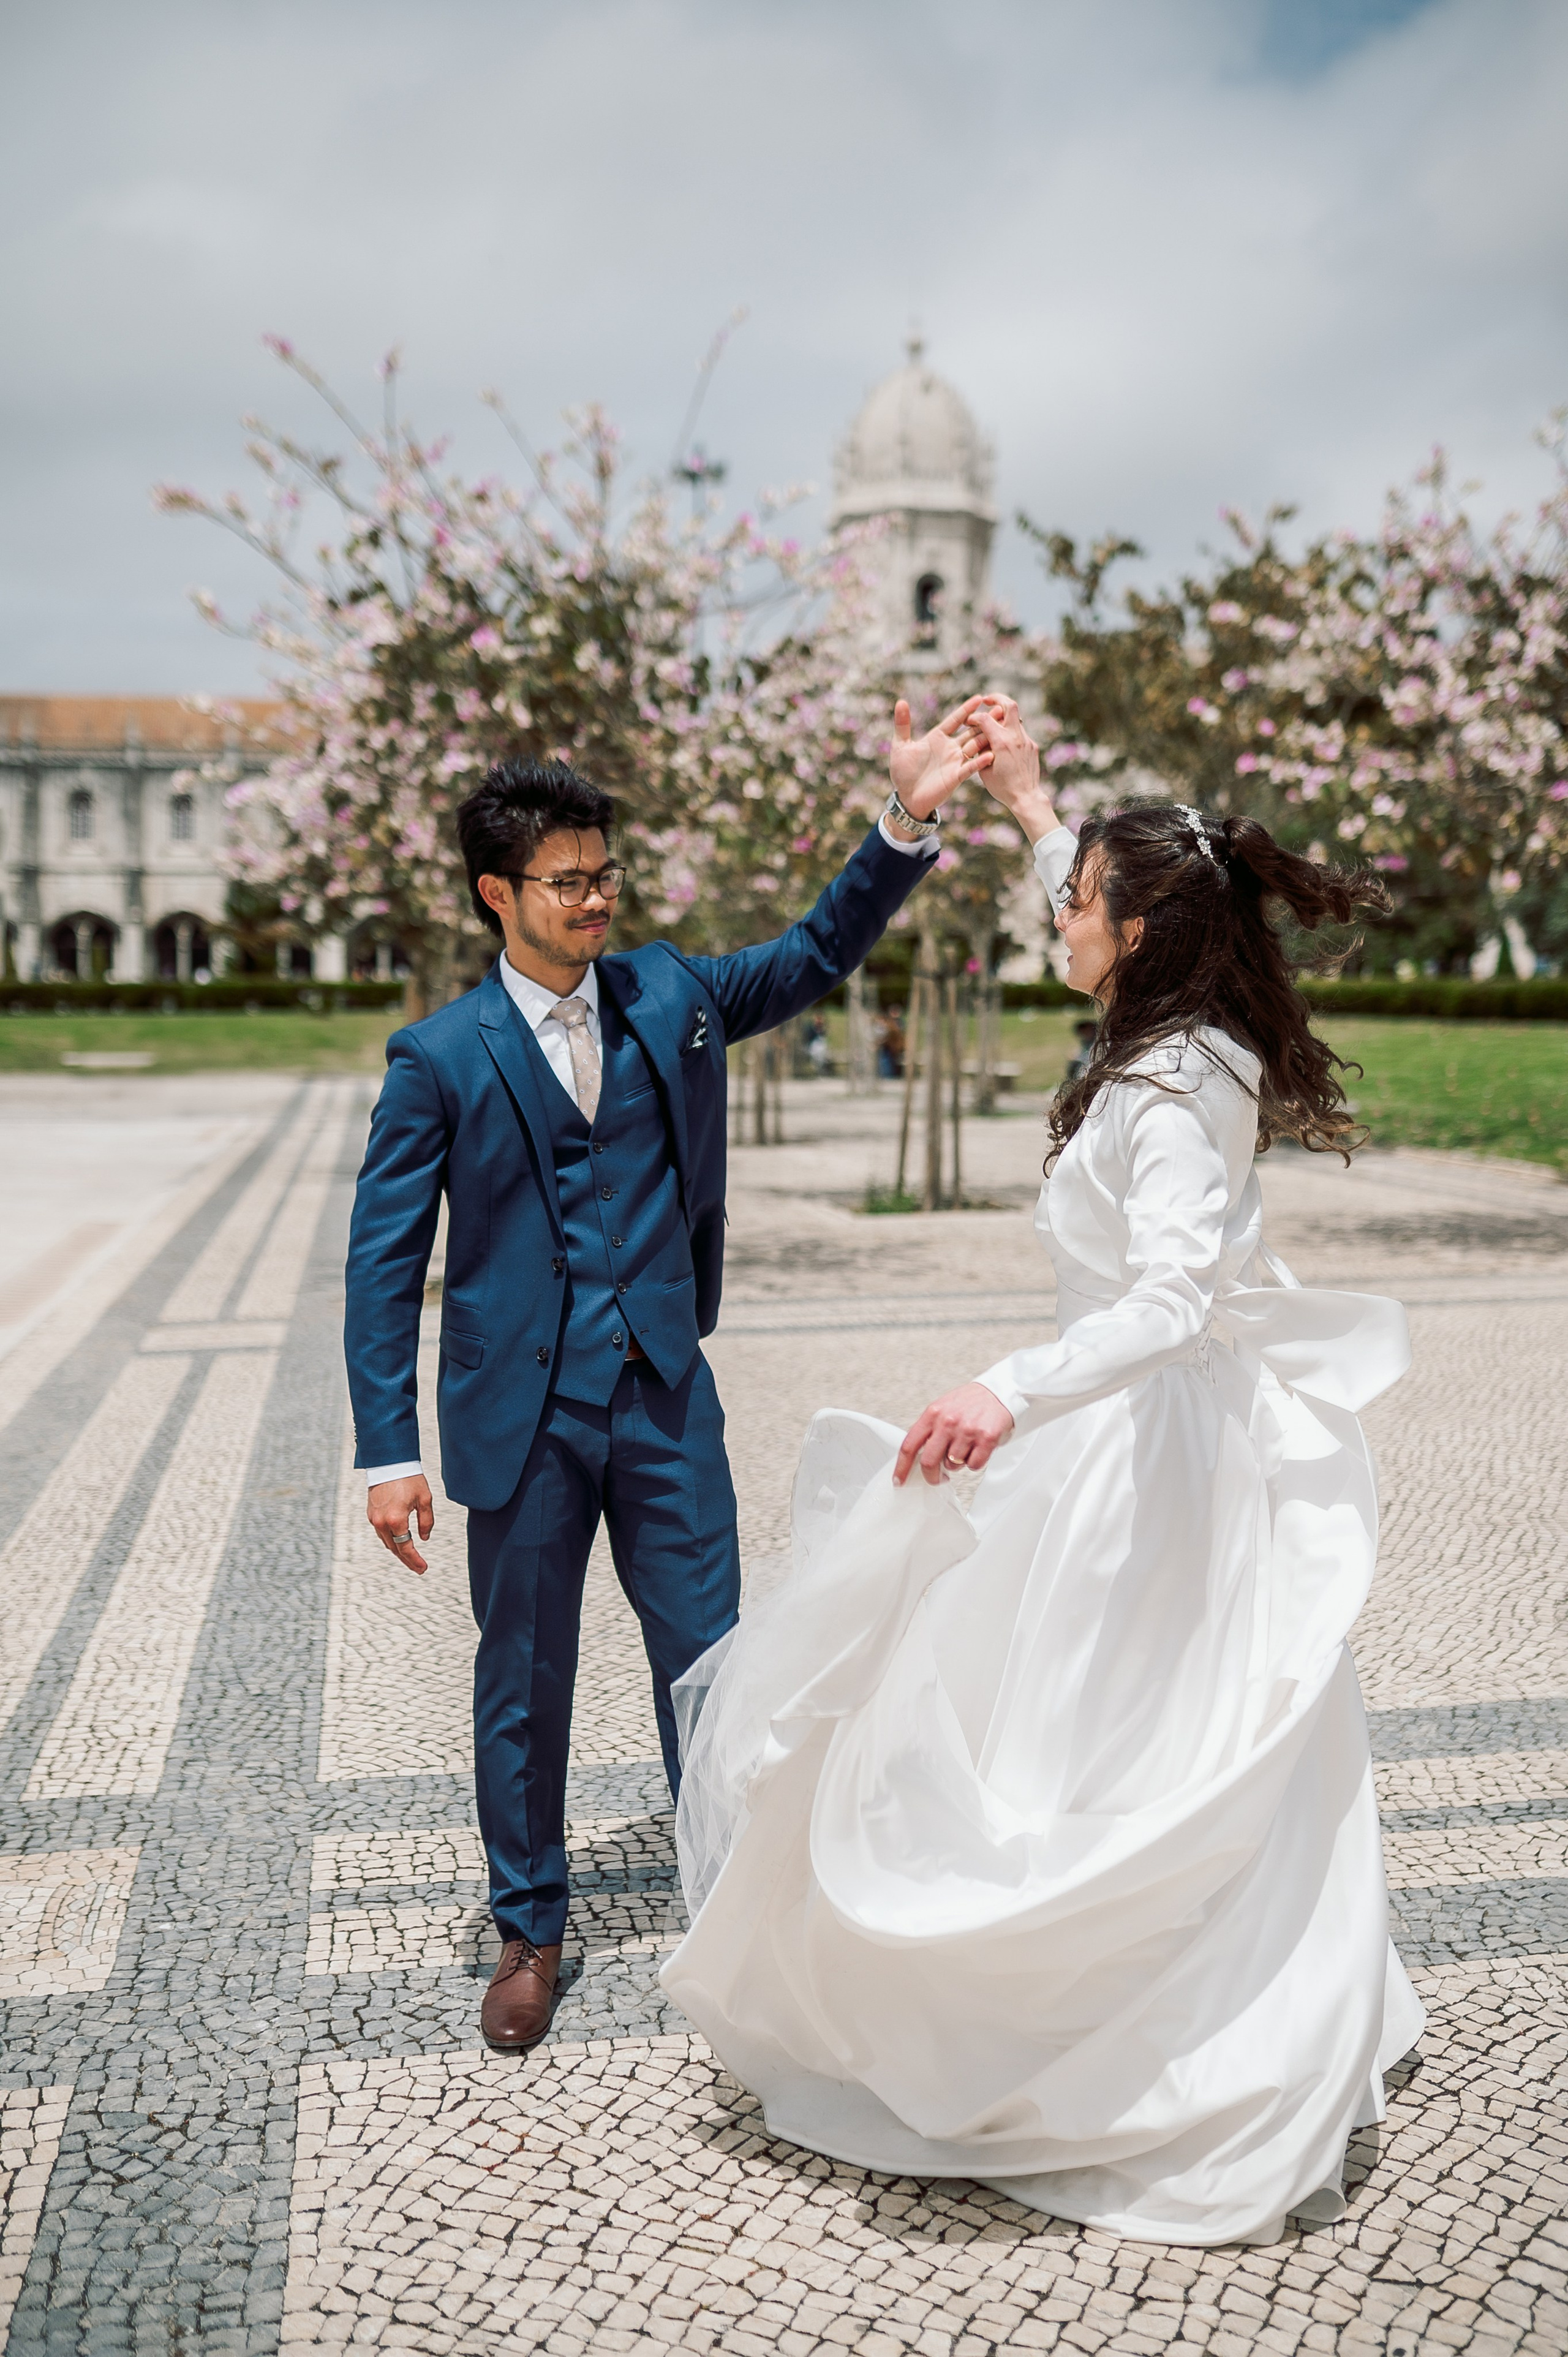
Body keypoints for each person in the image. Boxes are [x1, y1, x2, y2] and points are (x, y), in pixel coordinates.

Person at [662, 696, 1423, 2245]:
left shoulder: (1165, 1084)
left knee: (1114, 1721)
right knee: (1077, 1713)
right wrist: (1027, 801)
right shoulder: (1169, 1031)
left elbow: (1165, 1300)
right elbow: (1086, 904)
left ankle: (1131, 2031)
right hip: (1130, 1422)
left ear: (1137, 928)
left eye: (1077, 900)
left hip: (1135, 1438)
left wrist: (1005, 1385)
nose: (1053, 919)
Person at [343, 698, 993, 2053]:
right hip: (515, 1416)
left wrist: (905, 820)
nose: (594, 900)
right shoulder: (439, 1057)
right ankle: (529, 1925)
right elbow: (381, 1257)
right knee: (521, 1678)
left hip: (660, 1397)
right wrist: (385, 1449)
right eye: (567, 881)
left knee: (711, 1659)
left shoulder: (671, 998)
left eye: (605, 876)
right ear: (495, 893)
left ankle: (731, 1898)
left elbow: (816, 953)